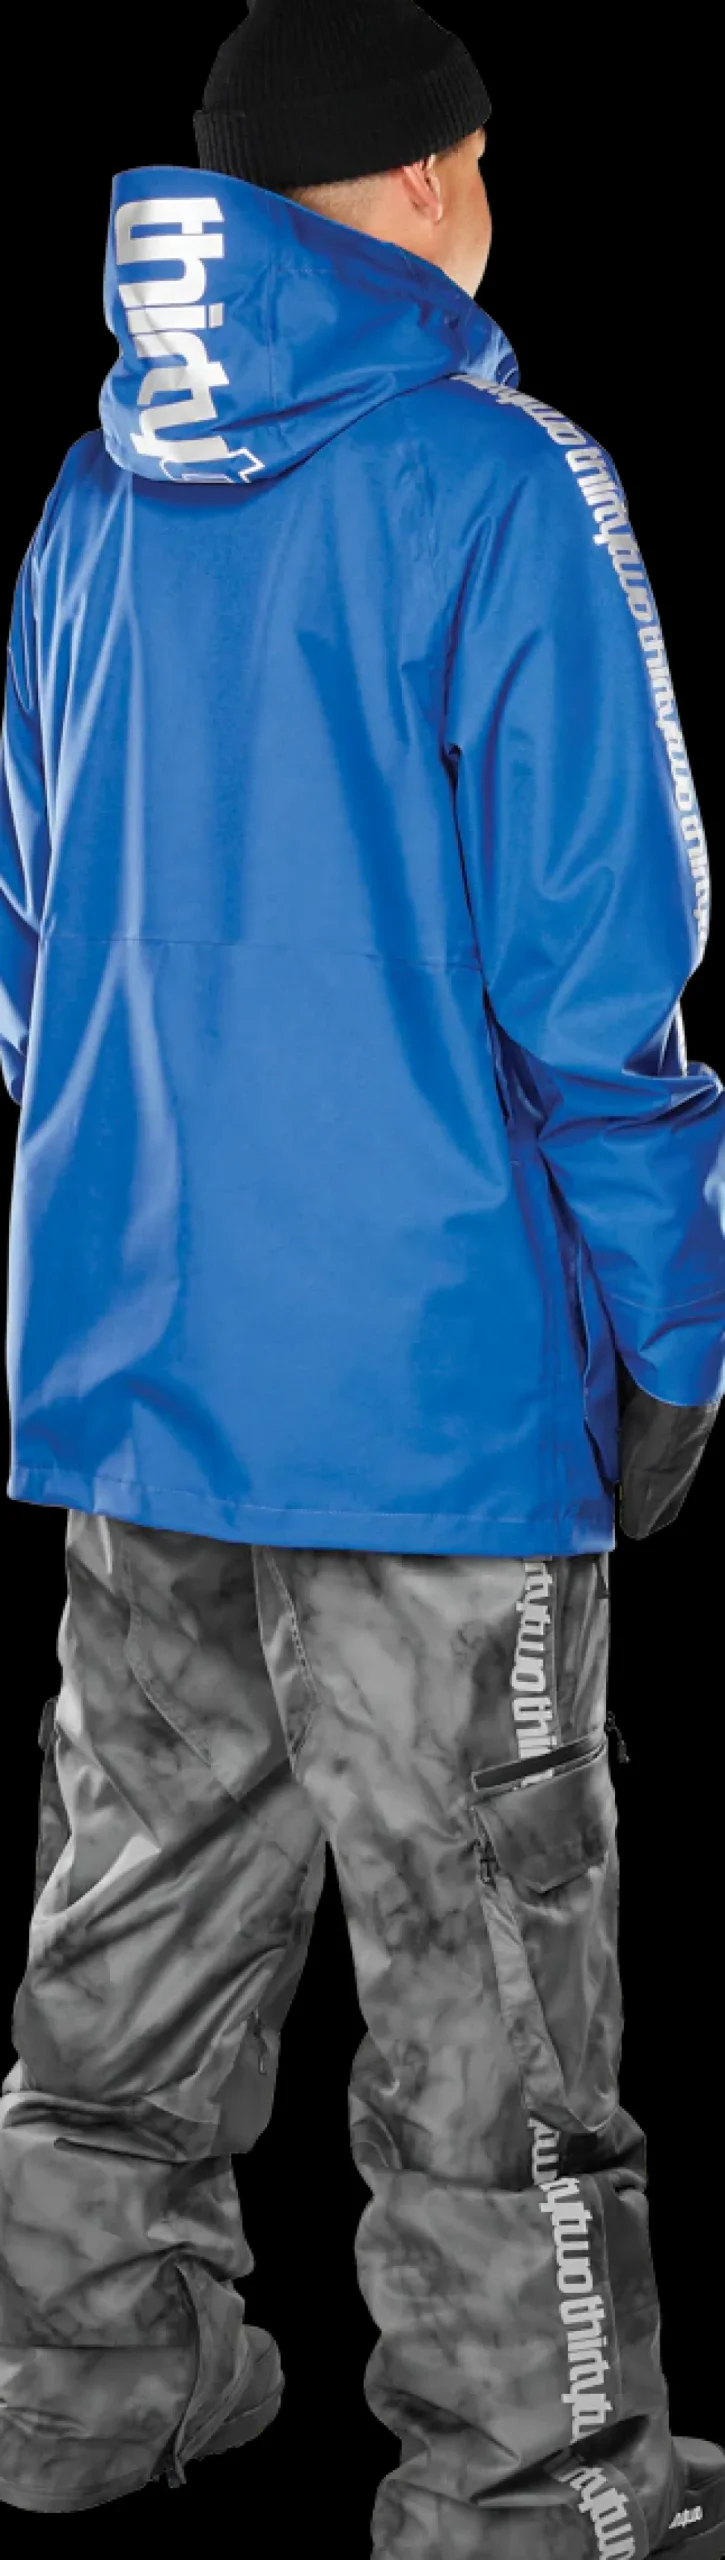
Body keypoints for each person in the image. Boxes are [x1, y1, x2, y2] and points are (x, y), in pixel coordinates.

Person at [0, 0, 723, 2548]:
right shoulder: (501, 484)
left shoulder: (90, 497)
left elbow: (30, 957)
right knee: (485, 1962)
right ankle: (534, 2485)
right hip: (430, 1394)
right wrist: (665, 1328)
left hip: (137, 1364)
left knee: (133, 1911)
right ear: (428, 180)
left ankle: (91, 2384)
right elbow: (595, 980)